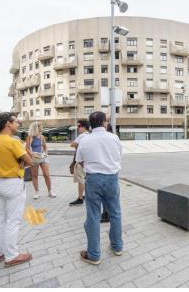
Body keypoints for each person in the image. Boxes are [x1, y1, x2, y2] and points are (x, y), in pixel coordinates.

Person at [76, 111, 123, 265]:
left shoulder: (85, 140)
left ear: (90, 124)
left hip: (93, 179)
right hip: (112, 178)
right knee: (115, 213)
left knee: (93, 216)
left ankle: (94, 255)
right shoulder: (114, 138)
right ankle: (117, 247)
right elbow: (118, 156)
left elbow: (80, 161)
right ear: (104, 122)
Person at [0, 112, 33, 267]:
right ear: (8, 123)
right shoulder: (13, 142)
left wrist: (20, 162)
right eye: (16, 122)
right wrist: (22, 162)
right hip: (13, 184)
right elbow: (30, 161)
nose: (18, 124)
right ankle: (11, 255)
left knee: (0, 218)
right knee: (13, 220)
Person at [26, 121, 56, 199]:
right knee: (34, 175)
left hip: (43, 157)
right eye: (41, 126)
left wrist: (45, 153)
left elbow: (45, 147)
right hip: (35, 158)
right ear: (36, 127)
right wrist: (32, 154)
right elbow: (27, 148)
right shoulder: (30, 137)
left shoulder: (41, 137)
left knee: (46, 174)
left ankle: (50, 191)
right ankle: (36, 192)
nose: (42, 127)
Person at [69, 119, 90, 206]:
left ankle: (80, 198)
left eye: (79, 126)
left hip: (80, 162)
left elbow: (72, 144)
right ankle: (85, 195)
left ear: (84, 127)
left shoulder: (82, 136)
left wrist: (78, 145)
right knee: (85, 180)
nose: (78, 128)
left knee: (80, 180)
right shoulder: (90, 135)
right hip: (86, 162)